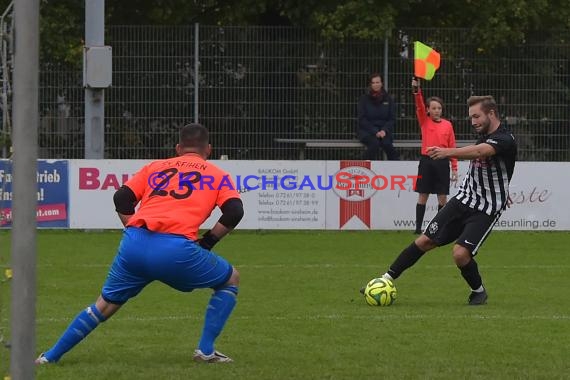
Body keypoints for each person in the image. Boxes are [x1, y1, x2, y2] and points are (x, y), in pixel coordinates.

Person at [36, 123, 244, 364]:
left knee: (105, 305)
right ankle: (205, 351)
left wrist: (133, 227)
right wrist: (207, 243)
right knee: (231, 279)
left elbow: (121, 197)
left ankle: (49, 357)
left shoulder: (155, 167)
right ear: (208, 149)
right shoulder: (217, 174)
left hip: (134, 243)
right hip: (176, 250)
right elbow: (234, 212)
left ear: (178, 148)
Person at [361, 95, 517, 305]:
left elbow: (481, 152)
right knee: (425, 240)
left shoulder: (505, 139)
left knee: (460, 254)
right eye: (471, 117)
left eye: (477, 116)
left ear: (491, 113)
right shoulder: (483, 136)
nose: (473, 122)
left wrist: (447, 152)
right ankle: (385, 279)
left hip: (485, 210)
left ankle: (478, 291)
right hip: (463, 199)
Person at [411, 77, 458, 234]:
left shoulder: (448, 125)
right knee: (423, 195)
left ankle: (438, 228)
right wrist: (417, 89)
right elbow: (418, 103)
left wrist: (455, 168)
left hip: (442, 163)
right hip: (426, 162)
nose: (437, 110)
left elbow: (452, 147)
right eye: (434, 108)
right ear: (428, 110)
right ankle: (418, 229)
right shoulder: (424, 121)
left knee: (442, 197)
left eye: (439, 108)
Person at [357, 73, 400, 160]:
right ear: (370, 84)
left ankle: (396, 168)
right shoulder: (364, 99)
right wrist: (374, 131)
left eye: (378, 82)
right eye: (373, 83)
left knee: (387, 145)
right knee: (374, 144)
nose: (376, 85)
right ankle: (362, 166)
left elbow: (392, 118)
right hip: (368, 131)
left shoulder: (388, 99)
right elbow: (362, 119)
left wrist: (384, 130)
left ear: (381, 83)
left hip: (384, 132)